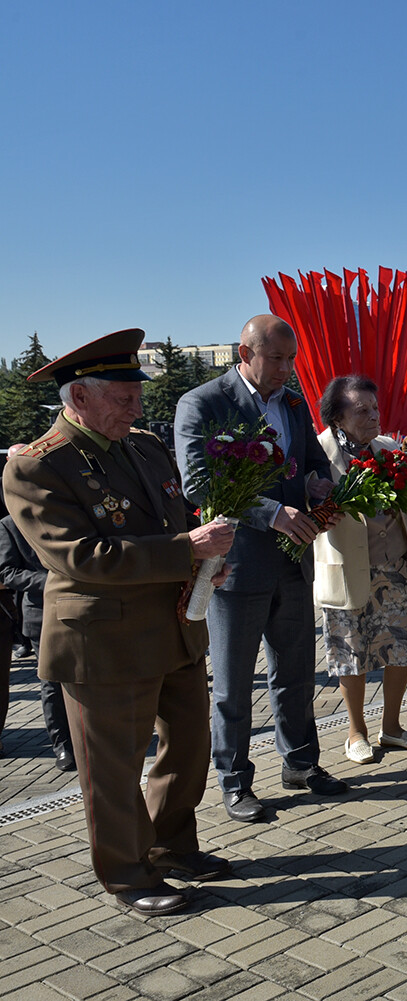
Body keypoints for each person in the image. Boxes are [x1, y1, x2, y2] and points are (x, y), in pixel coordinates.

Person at [5, 328, 238, 915]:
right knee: (112, 769)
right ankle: (128, 875)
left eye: (137, 395)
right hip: (102, 639)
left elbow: (173, 521)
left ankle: (171, 846)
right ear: (79, 398)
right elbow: (81, 557)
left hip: (173, 625)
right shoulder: (36, 467)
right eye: (123, 396)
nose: (137, 407)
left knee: (188, 748)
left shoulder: (144, 446)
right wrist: (188, 548)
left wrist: (204, 564)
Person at [175, 315, 346, 824]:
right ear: (243, 353)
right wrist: (273, 512)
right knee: (232, 682)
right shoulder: (203, 403)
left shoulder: (293, 402)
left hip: (293, 563)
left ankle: (301, 763)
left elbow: (314, 461)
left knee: (294, 673)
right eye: (276, 358)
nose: (287, 369)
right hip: (237, 566)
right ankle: (234, 781)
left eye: (292, 359)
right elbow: (199, 486)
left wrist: (321, 487)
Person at [313, 376, 407, 764]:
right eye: (361, 410)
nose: (372, 416)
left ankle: (393, 727)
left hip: (394, 564)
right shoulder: (320, 454)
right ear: (337, 417)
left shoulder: (389, 449)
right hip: (348, 568)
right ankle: (356, 733)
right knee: (353, 652)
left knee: (401, 647)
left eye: (375, 408)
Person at [0, 514, 72, 768]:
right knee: (52, 683)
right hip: (40, 614)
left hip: (79, 609)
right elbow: (8, 572)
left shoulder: (63, 511)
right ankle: (63, 745)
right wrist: (51, 582)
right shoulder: (10, 525)